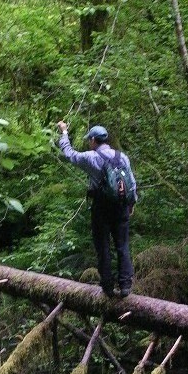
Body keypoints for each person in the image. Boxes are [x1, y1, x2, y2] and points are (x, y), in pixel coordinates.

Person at [57, 121, 136, 297]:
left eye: (89, 140)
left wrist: (64, 133)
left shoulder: (91, 158)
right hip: (122, 206)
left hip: (101, 208)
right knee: (122, 246)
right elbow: (131, 182)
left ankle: (107, 287)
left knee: (103, 247)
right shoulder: (122, 156)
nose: (88, 143)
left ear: (93, 140)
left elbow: (69, 154)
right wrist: (131, 203)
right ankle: (125, 286)